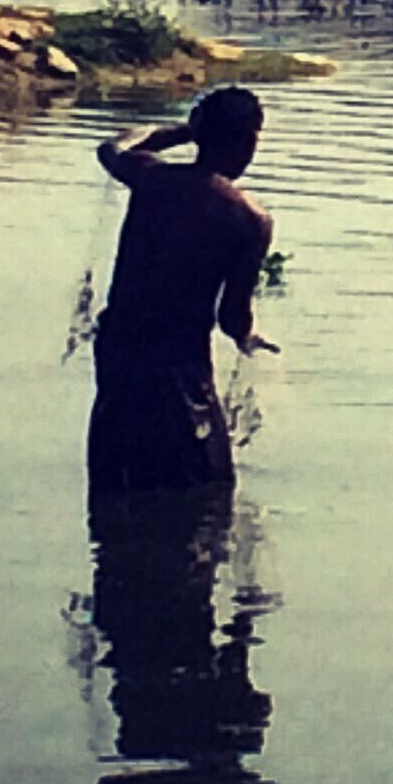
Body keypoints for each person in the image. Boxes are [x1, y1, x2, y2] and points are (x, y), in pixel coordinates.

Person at [87, 86, 276, 499]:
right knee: (206, 486)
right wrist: (246, 336)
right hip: (179, 369)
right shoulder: (249, 218)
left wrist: (183, 132)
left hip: (119, 354)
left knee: (114, 480)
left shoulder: (151, 178)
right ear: (249, 140)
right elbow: (231, 316)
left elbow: (113, 147)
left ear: (200, 132)